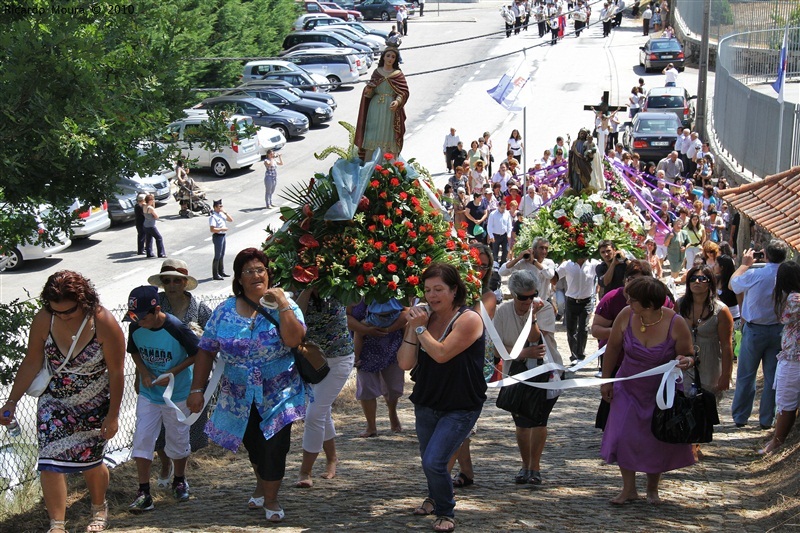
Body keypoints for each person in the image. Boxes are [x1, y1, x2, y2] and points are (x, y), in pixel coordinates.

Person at [187, 248, 307, 523]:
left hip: (279, 390)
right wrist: (197, 390)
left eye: (260, 270)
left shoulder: (285, 304)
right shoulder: (225, 311)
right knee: (254, 444)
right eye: (248, 271)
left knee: (275, 445)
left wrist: (283, 303)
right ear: (239, 279)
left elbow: (293, 340)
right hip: (238, 394)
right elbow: (206, 349)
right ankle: (262, 483)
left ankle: (272, 498)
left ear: (268, 274)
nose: (255, 275)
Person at [0, 271, 125, 533]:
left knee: (90, 460)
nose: (62, 316)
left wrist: (112, 416)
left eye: (68, 311)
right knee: (49, 461)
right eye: (56, 311)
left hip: (94, 400)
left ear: (84, 301)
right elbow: (32, 361)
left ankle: (99, 508)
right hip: (54, 400)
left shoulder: (103, 321)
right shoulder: (45, 319)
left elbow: (116, 372)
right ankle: (57, 525)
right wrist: (11, 401)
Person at [398, 263, 486, 533]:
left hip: (461, 403)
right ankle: (433, 498)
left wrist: (421, 329)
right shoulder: (424, 318)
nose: (432, 296)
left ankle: (446, 510)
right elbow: (404, 363)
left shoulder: (469, 319)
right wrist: (413, 328)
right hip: (427, 399)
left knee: (434, 461)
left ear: (454, 290)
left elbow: (441, 354)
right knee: (429, 458)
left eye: (439, 289)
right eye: (427, 290)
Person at [600, 276, 696, 505]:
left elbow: (690, 355)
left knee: (656, 438)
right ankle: (628, 489)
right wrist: (606, 381)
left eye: (633, 300)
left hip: (660, 391)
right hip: (627, 385)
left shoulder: (676, 322)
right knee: (624, 435)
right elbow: (612, 348)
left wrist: (686, 360)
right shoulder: (626, 315)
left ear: (650, 304)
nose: (628, 303)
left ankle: (653, 489)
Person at [125, 285, 199, 511]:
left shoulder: (176, 327)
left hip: (176, 394)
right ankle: (144, 492)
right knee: (143, 438)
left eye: (142, 316)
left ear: (156, 310)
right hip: (149, 394)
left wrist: (173, 372)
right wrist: (144, 372)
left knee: (177, 439)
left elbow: (197, 353)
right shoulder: (136, 328)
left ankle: (179, 479)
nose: (138, 321)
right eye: (132, 316)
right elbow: (134, 351)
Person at [147, 259, 212, 488]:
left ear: (185, 282)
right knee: (161, 428)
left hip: (192, 377)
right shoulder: (155, 306)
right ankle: (165, 466)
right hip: (159, 373)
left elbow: (211, 341)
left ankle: (180, 474)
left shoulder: (201, 309)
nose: (172, 285)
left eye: (177, 280)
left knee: (184, 427)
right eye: (168, 281)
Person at [495, 270, 559, 485]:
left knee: (539, 420)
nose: (528, 301)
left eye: (532, 295)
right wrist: (521, 354)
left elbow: (535, 338)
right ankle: (525, 465)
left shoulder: (545, 308)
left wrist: (532, 316)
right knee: (522, 423)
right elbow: (496, 348)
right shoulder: (503, 312)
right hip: (517, 373)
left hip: (546, 373)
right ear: (513, 294)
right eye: (523, 297)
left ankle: (535, 467)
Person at [293, 290, 355, 488]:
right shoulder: (294, 286)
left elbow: (354, 299)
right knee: (322, 409)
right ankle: (331, 459)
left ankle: (305, 470)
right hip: (312, 360)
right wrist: (308, 289)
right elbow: (296, 316)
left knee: (314, 414)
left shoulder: (336, 283)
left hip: (340, 357)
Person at [730, 241, 789, 429]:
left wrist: (744, 264)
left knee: (746, 374)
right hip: (779, 330)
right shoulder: (788, 276)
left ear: (766, 255)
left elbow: (734, 285)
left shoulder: (755, 274)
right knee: (772, 376)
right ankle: (766, 419)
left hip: (755, 329)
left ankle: (740, 416)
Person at [347, 300, 407, 437]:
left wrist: (388, 329)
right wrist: (365, 330)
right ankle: (371, 427)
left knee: (393, 387)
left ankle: (392, 414)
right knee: (367, 388)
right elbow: (345, 316)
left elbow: (407, 312)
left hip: (391, 346)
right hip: (365, 350)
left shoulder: (392, 287)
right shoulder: (352, 291)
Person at [760, 262, 800, 454]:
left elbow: (782, 318)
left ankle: (776, 442)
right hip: (792, 354)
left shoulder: (794, 299)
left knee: (785, 400)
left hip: (794, 356)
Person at [677, 265, 734, 395]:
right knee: (684, 407)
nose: (697, 282)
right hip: (684, 363)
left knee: (708, 407)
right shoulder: (679, 305)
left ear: (710, 283)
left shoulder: (721, 310)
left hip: (710, 364)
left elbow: (726, 345)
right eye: (693, 278)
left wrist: (726, 375)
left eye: (702, 278)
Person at [355, 47, 409, 161]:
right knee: (373, 133)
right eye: (388, 56)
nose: (390, 59)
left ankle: (387, 165)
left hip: (390, 110)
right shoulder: (377, 72)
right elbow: (371, 91)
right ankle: (370, 162)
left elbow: (403, 92)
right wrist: (369, 91)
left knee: (388, 134)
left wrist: (397, 101)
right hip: (375, 108)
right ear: (383, 57)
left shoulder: (398, 74)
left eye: (393, 57)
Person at [557, 255, 600, 362]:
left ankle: (580, 354)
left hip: (586, 301)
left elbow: (604, 270)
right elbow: (554, 277)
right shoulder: (567, 264)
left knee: (583, 328)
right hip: (571, 301)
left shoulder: (593, 263)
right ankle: (574, 355)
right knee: (571, 330)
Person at [209, 199, 233, 281]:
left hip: (223, 235)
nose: (221, 208)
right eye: (219, 206)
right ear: (215, 207)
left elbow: (230, 220)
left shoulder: (221, 214)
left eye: (221, 206)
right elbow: (212, 229)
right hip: (217, 236)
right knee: (217, 255)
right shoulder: (213, 217)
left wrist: (225, 212)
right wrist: (221, 229)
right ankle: (215, 274)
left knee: (222, 254)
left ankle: (221, 271)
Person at [486, 201, 512, 266]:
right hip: (495, 235)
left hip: (504, 235)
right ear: (498, 206)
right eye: (502, 208)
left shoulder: (507, 214)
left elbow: (509, 225)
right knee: (495, 252)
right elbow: (489, 226)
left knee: (505, 250)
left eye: (504, 208)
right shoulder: (493, 214)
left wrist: (509, 234)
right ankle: (496, 265)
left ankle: (502, 263)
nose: (503, 209)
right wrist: (491, 236)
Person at [143, 194, 166, 259]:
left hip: (145, 225)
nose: (153, 201)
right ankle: (161, 253)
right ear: (150, 200)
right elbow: (156, 216)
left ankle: (149, 253)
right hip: (151, 225)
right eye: (152, 199)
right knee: (159, 238)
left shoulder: (144, 206)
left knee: (149, 239)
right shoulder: (150, 208)